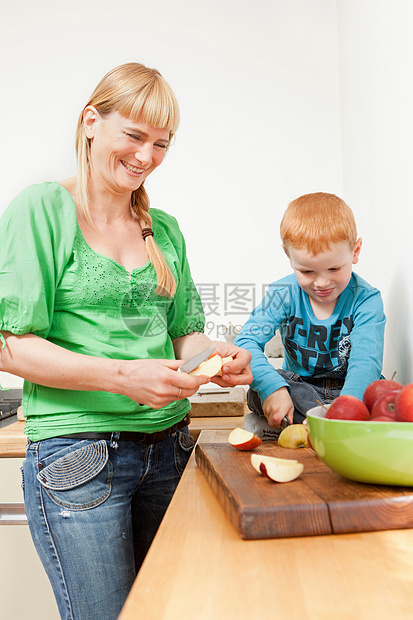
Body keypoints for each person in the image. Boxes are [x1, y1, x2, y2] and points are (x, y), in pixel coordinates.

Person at [0, 62, 252, 620]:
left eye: (162, 143)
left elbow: (184, 335)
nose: (147, 157)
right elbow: (10, 344)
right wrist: (124, 378)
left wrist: (220, 358)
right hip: (78, 456)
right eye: (134, 136)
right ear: (92, 122)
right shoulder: (42, 209)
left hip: (169, 449)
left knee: (171, 610)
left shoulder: (163, 229)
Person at [234, 192, 385, 440]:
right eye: (306, 271)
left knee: (385, 393)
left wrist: (346, 408)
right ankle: (301, 419)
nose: (322, 282)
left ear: (355, 251)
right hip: (299, 387)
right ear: (288, 256)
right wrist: (273, 389)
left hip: (348, 390)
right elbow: (245, 343)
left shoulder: (367, 299)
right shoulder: (282, 293)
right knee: (259, 387)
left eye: (334, 268)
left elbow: (365, 363)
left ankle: (299, 424)